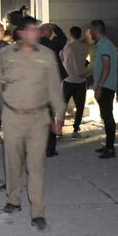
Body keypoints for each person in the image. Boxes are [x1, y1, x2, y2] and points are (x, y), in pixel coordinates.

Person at [0, 16, 64, 231]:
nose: (37, 33)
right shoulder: (6, 55)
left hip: (38, 119)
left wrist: (59, 116)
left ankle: (38, 212)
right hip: (13, 117)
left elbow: (54, 86)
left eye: (38, 29)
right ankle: (13, 200)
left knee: (36, 167)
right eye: (33, 30)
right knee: (13, 163)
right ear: (22, 33)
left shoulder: (46, 55)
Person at [90, 19, 118, 159]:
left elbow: (106, 67)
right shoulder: (103, 44)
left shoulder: (105, 45)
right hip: (105, 85)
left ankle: (110, 148)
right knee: (106, 116)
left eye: (91, 30)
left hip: (106, 86)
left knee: (108, 117)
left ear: (96, 30)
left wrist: (100, 86)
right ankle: (108, 145)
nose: (90, 32)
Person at [40, 23, 67, 157]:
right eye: (49, 30)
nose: (51, 32)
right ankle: (49, 148)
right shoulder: (47, 44)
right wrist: (56, 27)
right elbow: (62, 40)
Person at [60, 26, 90, 139]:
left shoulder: (66, 47)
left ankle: (59, 130)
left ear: (70, 34)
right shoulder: (85, 47)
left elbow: (62, 59)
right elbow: (88, 61)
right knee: (80, 107)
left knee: (63, 105)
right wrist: (83, 67)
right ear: (80, 35)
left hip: (68, 80)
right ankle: (75, 130)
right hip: (80, 80)